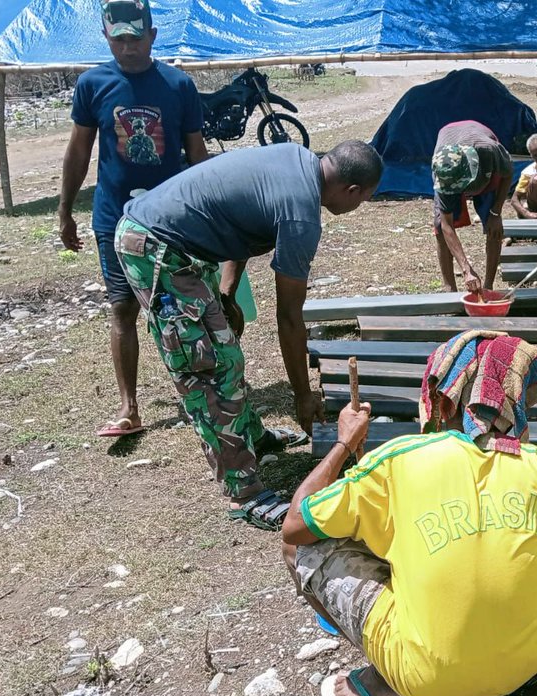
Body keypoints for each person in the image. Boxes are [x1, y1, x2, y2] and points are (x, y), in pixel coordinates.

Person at [281, 331, 537, 696]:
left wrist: (344, 442)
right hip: (531, 660)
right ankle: (483, 662)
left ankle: (394, 678)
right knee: (533, 535)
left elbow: (294, 527)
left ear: (442, 398)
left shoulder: (397, 461)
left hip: (428, 680)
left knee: (302, 547)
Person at [113, 140, 383, 524]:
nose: (359, 206)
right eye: (364, 199)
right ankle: (244, 492)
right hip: (157, 246)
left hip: (183, 243)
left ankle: (249, 437)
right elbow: (289, 316)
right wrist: (303, 397)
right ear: (351, 190)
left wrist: (227, 290)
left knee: (226, 350)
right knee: (206, 366)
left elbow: (237, 217)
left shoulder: (296, 161)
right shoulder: (301, 214)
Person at [58, 0, 207, 439]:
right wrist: (65, 208)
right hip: (114, 219)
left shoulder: (179, 85)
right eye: (119, 39)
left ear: (153, 36)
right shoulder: (92, 84)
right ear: (107, 38)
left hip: (172, 218)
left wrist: (215, 213)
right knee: (122, 308)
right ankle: (129, 408)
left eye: (135, 39)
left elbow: (197, 154)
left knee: (184, 306)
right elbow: (79, 150)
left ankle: (201, 391)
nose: (128, 49)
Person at [430, 121, 514, 293]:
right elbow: (447, 226)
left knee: (494, 228)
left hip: (485, 174)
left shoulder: (489, 151)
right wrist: (466, 269)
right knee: (439, 227)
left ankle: (489, 287)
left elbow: (508, 172)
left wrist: (495, 212)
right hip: (448, 137)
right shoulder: (442, 171)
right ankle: (449, 290)